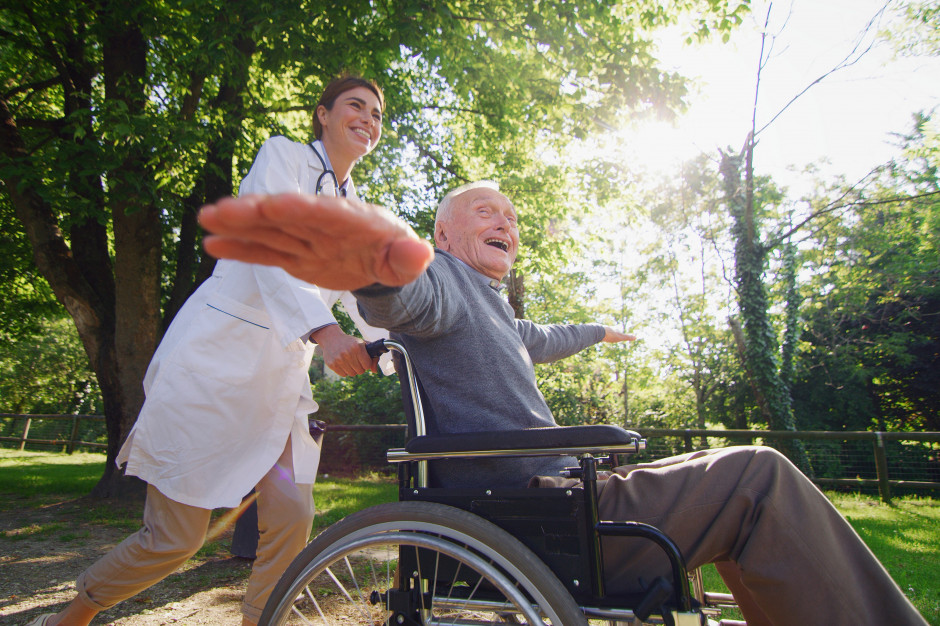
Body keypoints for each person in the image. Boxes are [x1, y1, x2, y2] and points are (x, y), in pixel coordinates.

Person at [195, 184, 928, 625]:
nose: (504, 221)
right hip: (547, 515)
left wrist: (601, 331)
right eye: (486, 210)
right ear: (444, 235)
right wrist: (373, 271)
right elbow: (404, 300)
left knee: (743, 478)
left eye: (511, 215)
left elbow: (541, 336)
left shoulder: (495, 314)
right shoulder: (446, 283)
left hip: (569, 497)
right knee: (759, 477)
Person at [27, 75, 392, 626]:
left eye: (377, 113)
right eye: (355, 106)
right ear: (323, 114)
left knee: (293, 513)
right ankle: (72, 615)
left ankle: (258, 620)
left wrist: (390, 349)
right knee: (174, 539)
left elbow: (364, 295)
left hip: (279, 383)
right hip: (216, 367)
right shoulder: (282, 158)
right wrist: (324, 332)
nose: (368, 118)